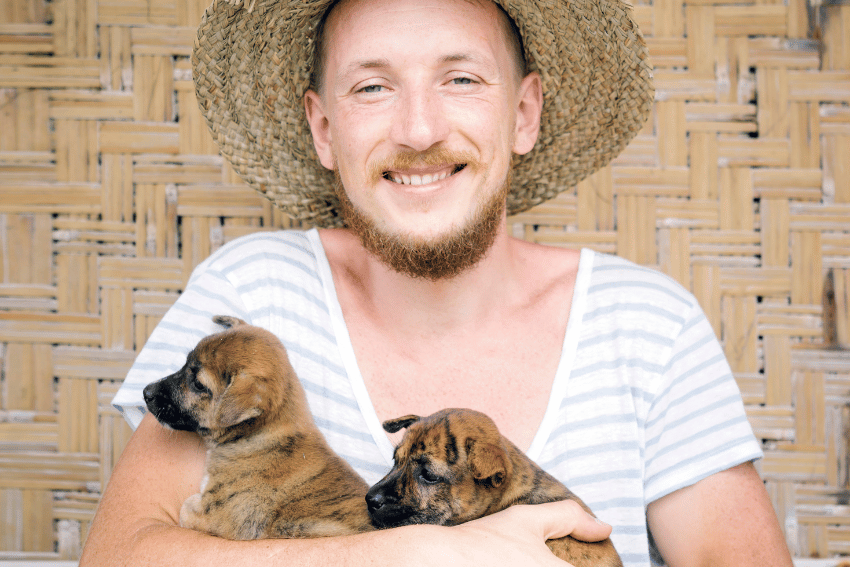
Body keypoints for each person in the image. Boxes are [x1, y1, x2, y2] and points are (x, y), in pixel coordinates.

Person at [80, 0, 794, 565]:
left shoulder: (647, 325)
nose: (419, 128)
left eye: (460, 78)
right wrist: (415, 554)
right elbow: (117, 557)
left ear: (523, 113)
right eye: (372, 85)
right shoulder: (249, 297)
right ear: (324, 128)